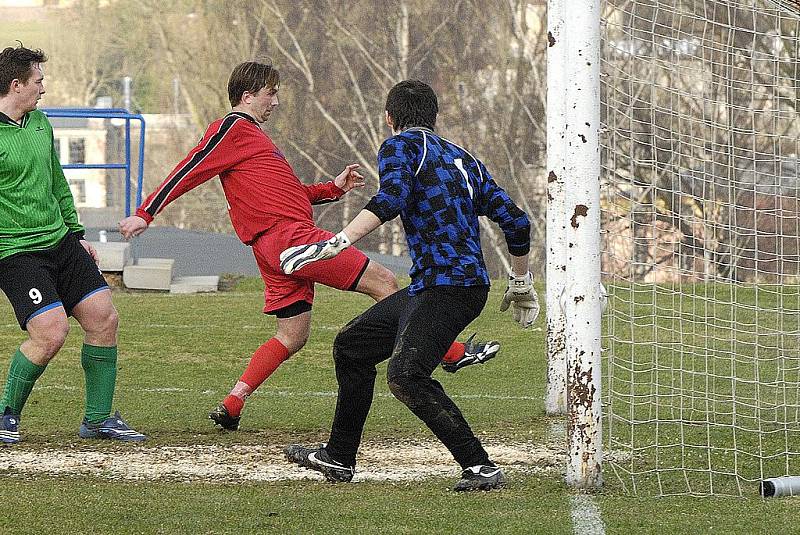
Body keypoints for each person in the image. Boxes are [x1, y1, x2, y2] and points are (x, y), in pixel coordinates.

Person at [118, 62, 495, 432]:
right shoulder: (232, 127)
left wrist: (333, 188)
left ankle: (233, 402)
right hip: (291, 240)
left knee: (292, 335)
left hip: (273, 248)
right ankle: (450, 351)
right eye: (271, 93)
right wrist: (146, 212)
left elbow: (288, 195)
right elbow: (191, 167)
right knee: (384, 281)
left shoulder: (254, 139)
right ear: (248, 97)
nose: (276, 102)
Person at [280, 79, 538, 491]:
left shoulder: (400, 146)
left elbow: (391, 198)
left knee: (405, 375)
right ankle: (340, 457)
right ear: (435, 117)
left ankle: (480, 466)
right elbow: (517, 221)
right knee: (352, 346)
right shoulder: (463, 158)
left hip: (448, 287)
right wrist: (521, 280)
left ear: (389, 118)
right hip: (445, 285)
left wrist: (335, 244)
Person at [0, 44, 145, 444]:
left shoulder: (40, 123)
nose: (43, 88)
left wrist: (76, 236)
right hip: (15, 252)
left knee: (104, 318)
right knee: (50, 333)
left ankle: (98, 420)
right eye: (38, 80)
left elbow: (57, 181)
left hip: (61, 242)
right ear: (17, 84)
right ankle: (5, 414)